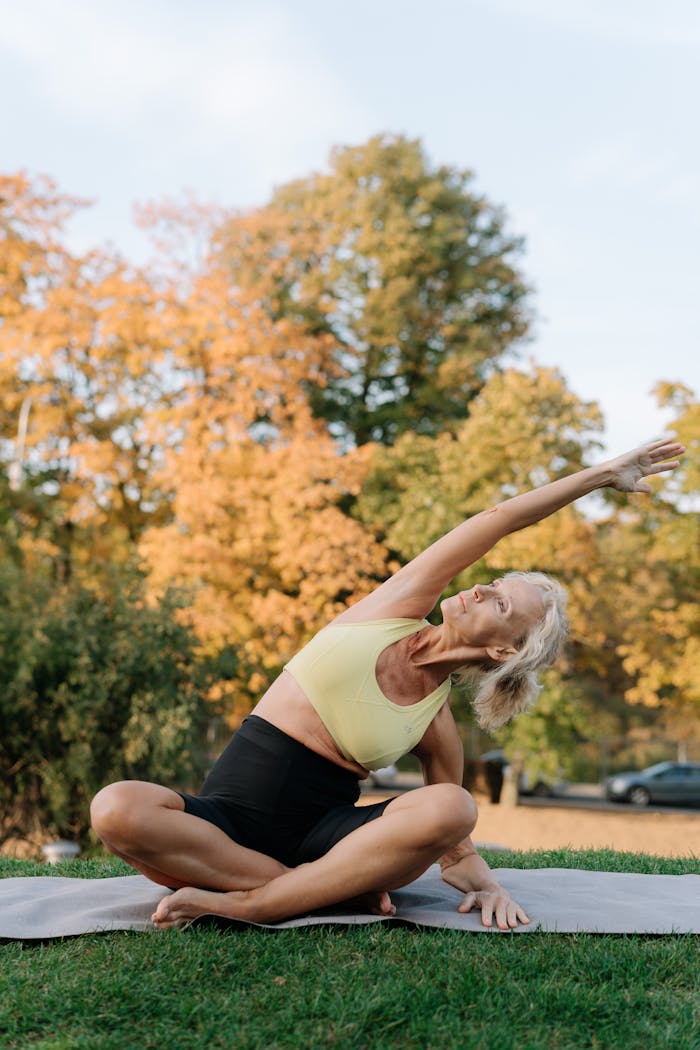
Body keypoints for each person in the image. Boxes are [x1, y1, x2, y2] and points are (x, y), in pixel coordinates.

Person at [90, 438, 684, 930]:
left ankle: (264, 903)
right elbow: (497, 521)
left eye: (499, 601)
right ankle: (313, 894)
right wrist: (602, 474)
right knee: (117, 808)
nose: (478, 588)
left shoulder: (435, 723)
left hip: (327, 840)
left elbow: (451, 841)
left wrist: (487, 885)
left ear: (503, 649)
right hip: (227, 825)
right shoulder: (391, 610)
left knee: (454, 802)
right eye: (492, 582)